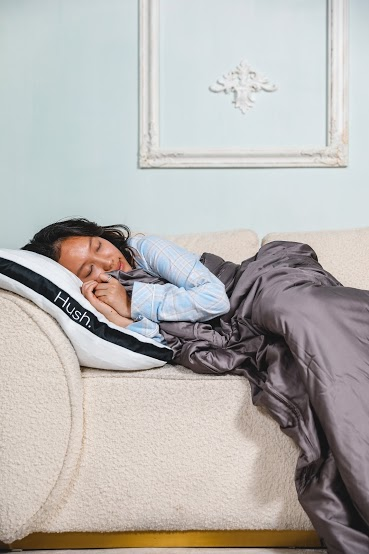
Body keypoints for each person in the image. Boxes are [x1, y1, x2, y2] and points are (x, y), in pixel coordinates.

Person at [21, 217, 230, 343]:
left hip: (248, 284)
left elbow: (215, 299)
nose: (109, 261)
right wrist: (113, 315)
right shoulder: (100, 298)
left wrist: (131, 304)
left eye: (99, 247)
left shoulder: (144, 248)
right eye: (89, 269)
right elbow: (158, 344)